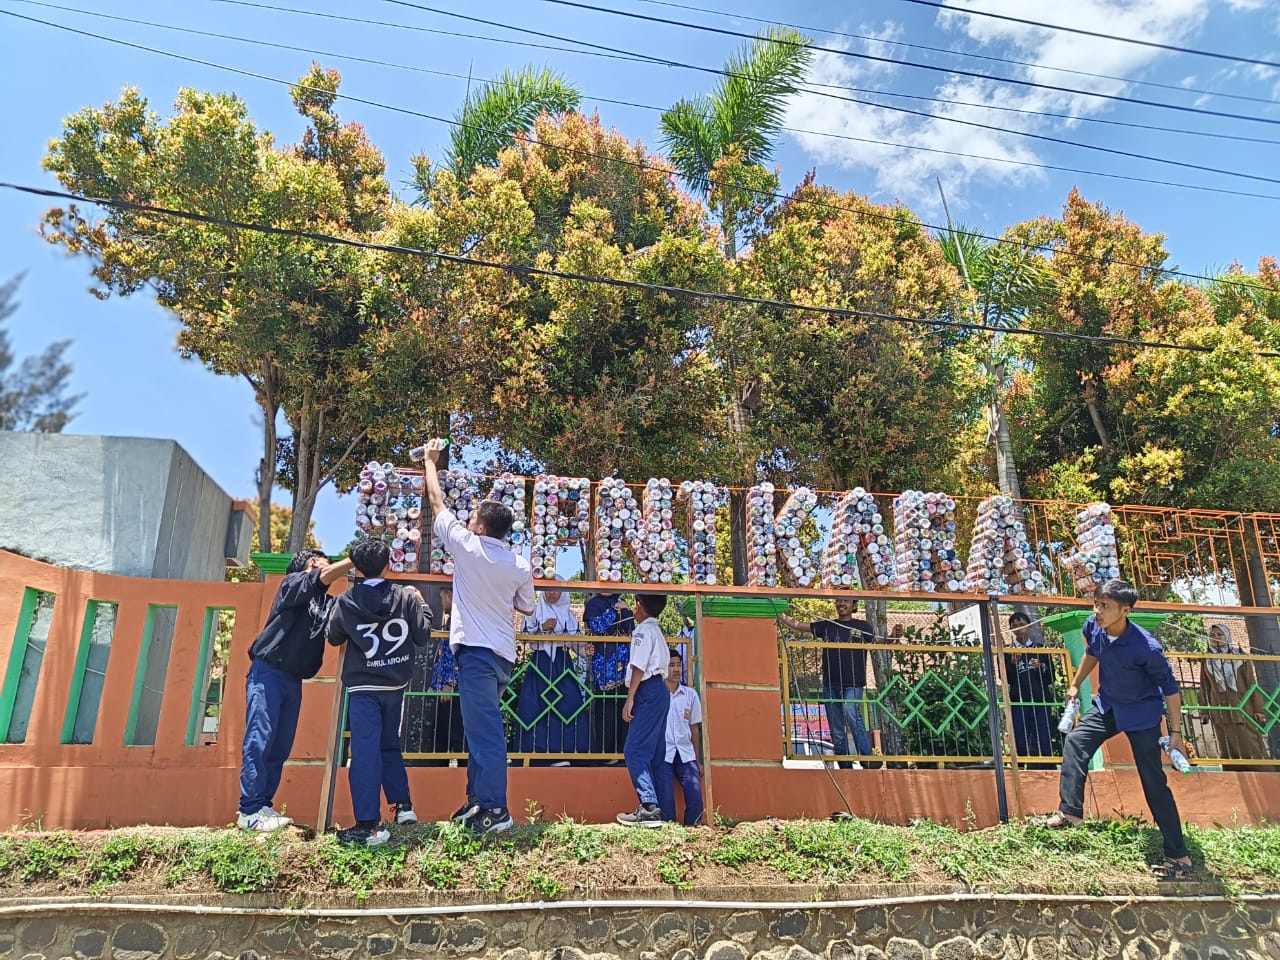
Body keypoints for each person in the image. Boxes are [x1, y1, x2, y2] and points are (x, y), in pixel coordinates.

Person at [422, 438, 536, 835]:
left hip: (476, 655)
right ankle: (476, 801)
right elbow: (527, 607)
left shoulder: (467, 547)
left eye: (472, 519)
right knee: (478, 728)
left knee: (485, 732)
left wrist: (430, 462)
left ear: (481, 527)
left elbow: (437, 505)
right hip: (503, 656)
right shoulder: (520, 564)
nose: (467, 522)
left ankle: (496, 809)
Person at [1044, 579, 1194, 880]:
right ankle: (1070, 812)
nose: (1098, 611)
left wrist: (1176, 734)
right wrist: (1075, 684)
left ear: (1125, 610)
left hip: (1142, 715)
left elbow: (1172, 691)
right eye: (1096, 604)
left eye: (1106, 606)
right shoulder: (1093, 626)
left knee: (1153, 782)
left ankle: (1179, 855)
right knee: (1076, 740)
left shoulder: (1147, 648)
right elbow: (1092, 653)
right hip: (1108, 706)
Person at [237, 548, 353, 831]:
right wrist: (353, 560)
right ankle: (248, 810)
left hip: (293, 680)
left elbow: (345, 611)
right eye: (326, 561)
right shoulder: (291, 584)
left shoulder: (325, 603)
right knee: (259, 739)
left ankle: (263, 804)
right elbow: (320, 579)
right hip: (269, 673)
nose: (331, 566)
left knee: (280, 746)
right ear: (313, 563)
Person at [327, 539, 433, 846]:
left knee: (364, 753)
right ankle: (403, 806)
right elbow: (422, 635)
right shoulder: (405, 597)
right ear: (389, 564)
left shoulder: (346, 601)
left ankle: (369, 825)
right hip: (395, 685)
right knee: (389, 745)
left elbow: (333, 637)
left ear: (357, 568)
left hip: (363, 687)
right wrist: (422, 603)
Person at [778, 598, 875, 768]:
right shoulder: (828, 626)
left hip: (853, 683)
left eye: (845, 601)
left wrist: (895, 636)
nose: (841, 604)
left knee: (850, 710)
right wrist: (777, 612)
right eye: (838, 600)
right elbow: (798, 625)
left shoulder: (863, 627)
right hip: (831, 684)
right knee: (836, 728)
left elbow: (880, 642)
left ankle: (867, 758)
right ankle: (844, 766)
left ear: (854, 605)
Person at [616, 593, 673, 827]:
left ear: (638, 605)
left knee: (634, 750)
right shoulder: (657, 631)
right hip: (660, 691)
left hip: (647, 690)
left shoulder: (641, 631)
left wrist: (630, 699)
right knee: (657, 754)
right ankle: (664, 811)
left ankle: (649, 806)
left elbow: (638, 666)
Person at [516, 581, 590, 760]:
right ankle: (535, 754)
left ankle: (569, 753)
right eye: (547, 590)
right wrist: (542, 628)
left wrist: (585, 650)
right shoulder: (534, 612)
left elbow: (576, 642)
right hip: (540, 663)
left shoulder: (569, 616)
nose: (551, 593)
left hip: (562, 664)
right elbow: (524, 638)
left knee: (568, 705)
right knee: (535, 706)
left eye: (556, 590)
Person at [1201, 624, 1271, 770]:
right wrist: (1205, 711)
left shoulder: (1239, 656)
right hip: (1220, 709)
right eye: (1212, 635)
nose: (1215, 638)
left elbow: (1251, 683)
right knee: (1228, 749)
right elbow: (1205, 687)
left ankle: (1265, 777)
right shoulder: (1207, 659)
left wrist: (1259, 709)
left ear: (1227, 636)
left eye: (1220, 634)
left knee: (1251, 747)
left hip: (1242, 707)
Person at [656, 649, 704, 826]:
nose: (676, 669)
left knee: (696, 798)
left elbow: (694, 728)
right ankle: (670, 833)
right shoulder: (656, 695)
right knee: (666, 801)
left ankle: (693, 832)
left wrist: (697, 761)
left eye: (679, 665)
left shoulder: (690, 695)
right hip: (663, 754)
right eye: (671, 665)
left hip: (686, 753)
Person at [1004, 611, 1057, 769]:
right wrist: (1012, 663)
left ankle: (1047, 766)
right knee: (1021, 736)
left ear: (1030, 627)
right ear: (1011, 630)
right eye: (1015, 626)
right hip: (1019, 701)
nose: (1019, 629)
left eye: (1022, 625)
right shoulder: (1008, 652)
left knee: (1043, 733)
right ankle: (1022, 767)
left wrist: (1040, 667)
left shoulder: (1040, 649)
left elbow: (1051, 677)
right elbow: (1005, 679)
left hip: (1040, 700)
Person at [585, 593, 634, 759]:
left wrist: (626, 610)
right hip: (606, 668)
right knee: (607, 709)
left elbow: (629, 629)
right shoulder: (595, 604)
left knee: (624, 709)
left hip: (625, 667)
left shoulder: (622, 601)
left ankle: (622, 753)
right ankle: (605, 754)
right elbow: (598, 627)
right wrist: (614, 610)